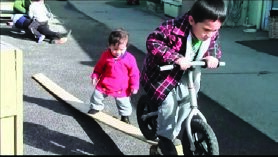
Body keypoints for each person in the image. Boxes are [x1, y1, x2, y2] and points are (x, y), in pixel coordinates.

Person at [140, 0, 227, 155]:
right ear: (192, 20)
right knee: (169, 105)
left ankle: (175, 132)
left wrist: (212, 57)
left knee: (187, 104)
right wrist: (175, 58)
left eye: (215, 30)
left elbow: (213, 44)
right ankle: (164, 139)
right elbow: (153, 41)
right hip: (163, 75)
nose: (210, 35)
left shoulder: (211, 31)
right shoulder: (172, 28)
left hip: (189, 73)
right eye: (207, 30)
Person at [88, 28, 140, 124]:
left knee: (124, 103)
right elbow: (99, 67)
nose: (118, 52)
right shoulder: (105, 55)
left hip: (122, 86)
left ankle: (125, 116)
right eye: (115, 49)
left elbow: (134, 74)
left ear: (126, 47)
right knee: (97, 96)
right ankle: (95, 108)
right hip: (105, 83)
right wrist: (95, 76)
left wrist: (134, 86)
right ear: (109, 46)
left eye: (122, 49)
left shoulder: (130, 59)